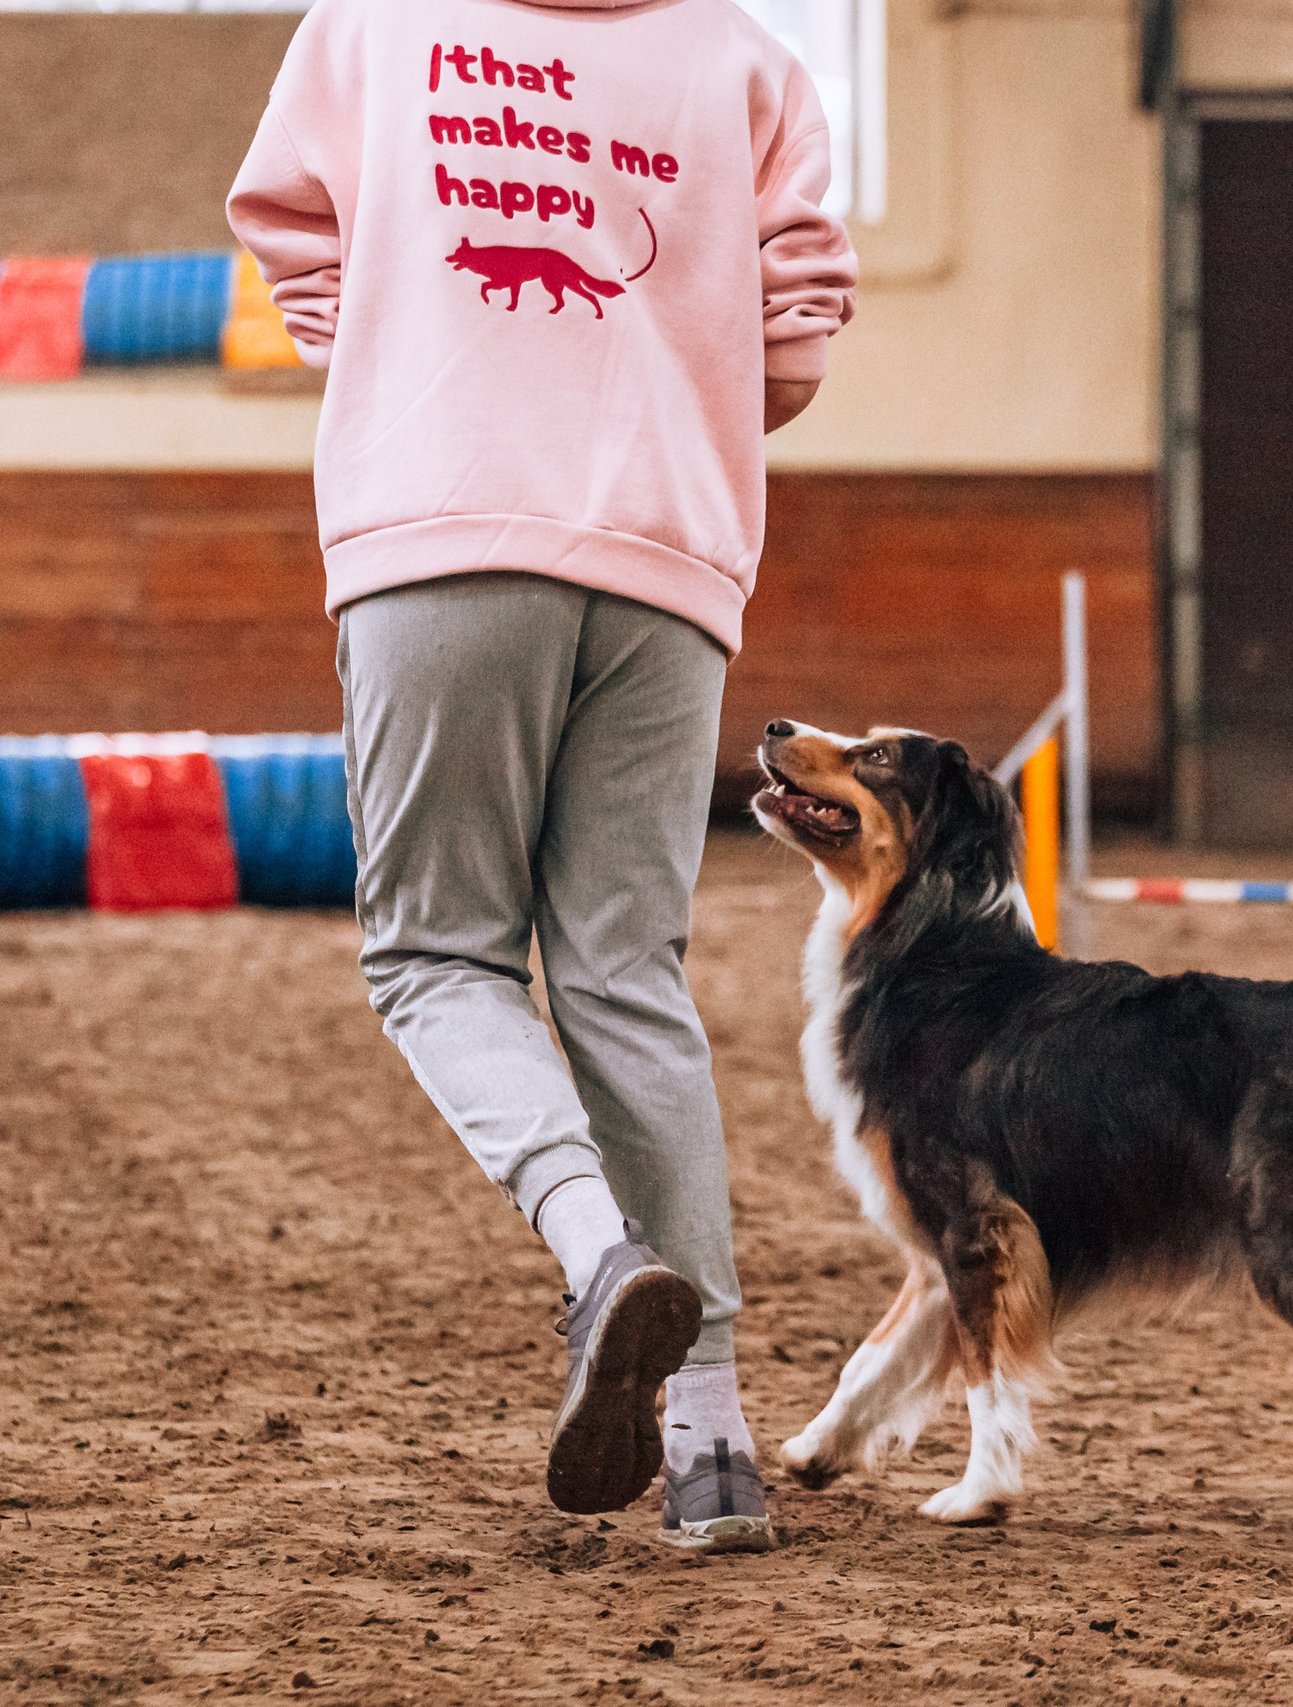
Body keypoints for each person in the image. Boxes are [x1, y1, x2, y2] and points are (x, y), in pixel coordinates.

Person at [227, 0, 855, 1555]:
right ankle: (712, 1457)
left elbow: (294, 243)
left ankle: (595, 1253)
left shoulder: (369, 27)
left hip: (440, 529)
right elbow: (791, 359)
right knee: (628, 976)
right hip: (671, 562)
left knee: (437, 954)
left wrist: (412, 343)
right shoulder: (751, 63)